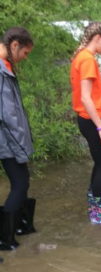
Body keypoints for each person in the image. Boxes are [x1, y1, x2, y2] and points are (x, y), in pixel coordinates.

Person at [70, 22, 101, 225]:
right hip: (92, 119)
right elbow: (87, 99)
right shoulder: (87, 60)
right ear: (97, 37)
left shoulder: (81, 57)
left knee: (100, 164)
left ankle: (94, 204)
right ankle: (97, 214)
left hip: (87, 119)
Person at [0, 27, 36, 251]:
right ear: (15, 45)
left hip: (8, 139)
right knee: (20, 184)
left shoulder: (6, 67)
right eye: (25, 53)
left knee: (22, 182)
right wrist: (22, 147)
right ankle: (5, 240)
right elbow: (7, 116)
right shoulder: (1, 71)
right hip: (7, 141)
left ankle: (23, 228)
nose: (25, 58)